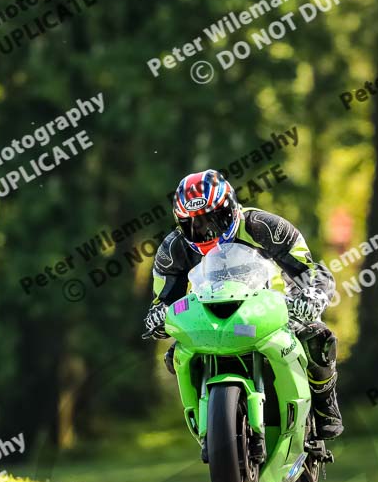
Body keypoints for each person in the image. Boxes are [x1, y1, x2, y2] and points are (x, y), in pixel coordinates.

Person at [143, 169, 343, 439]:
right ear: (180, 223)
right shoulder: (173, 249)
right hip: (209, 317)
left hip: (269, 310)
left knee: (318, 337)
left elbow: (310, 271)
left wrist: (311, 297)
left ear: (231, 207)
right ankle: (208, 423)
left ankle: (324, 403)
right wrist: (158, 318)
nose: (206, 230)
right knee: (175, 355)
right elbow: (164, 300)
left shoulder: (265, 227)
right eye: (195, 224)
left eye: (215, 219)